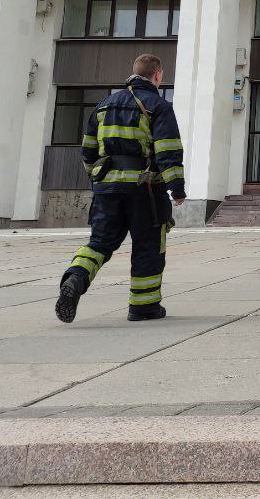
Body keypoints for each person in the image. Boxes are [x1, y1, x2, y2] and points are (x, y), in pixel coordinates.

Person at [54, 53, 185, 324]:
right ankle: (143, 307)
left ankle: (75, 277)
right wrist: (177, 188)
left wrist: (99, 181)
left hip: (107, 188)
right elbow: (167, 149)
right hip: (144, 189)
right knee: (148, 245)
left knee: (100, 242)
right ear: (157, 75)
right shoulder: (157, 105)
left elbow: (88, 150)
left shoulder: (104, 105)